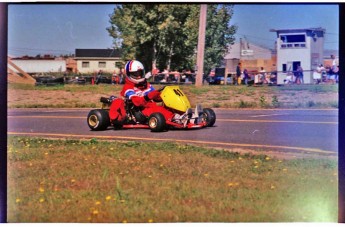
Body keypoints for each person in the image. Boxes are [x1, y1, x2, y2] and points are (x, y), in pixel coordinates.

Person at [108, 60, 175, 127]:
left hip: (149, 106)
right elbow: (137, 102)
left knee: (166, 105)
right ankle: (173, 118)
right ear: (129, 74)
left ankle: (179, 115)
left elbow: (157, 98)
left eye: (140, 73)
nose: (139, 76)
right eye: (136, 74)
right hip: (138, 111)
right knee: (155, 109)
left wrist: (162, 95)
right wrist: (148, 97)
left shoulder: (146, 85)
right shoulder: (128, 88)